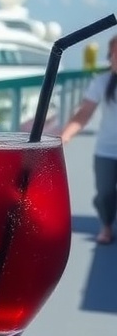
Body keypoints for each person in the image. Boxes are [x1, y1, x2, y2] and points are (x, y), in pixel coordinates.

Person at [61, 35, 117, 244]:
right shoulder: (101, 82)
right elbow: (84, 114)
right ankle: (106, 225)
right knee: (105, 193)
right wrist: (66, 134)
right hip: (106, 150)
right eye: (114, 54)